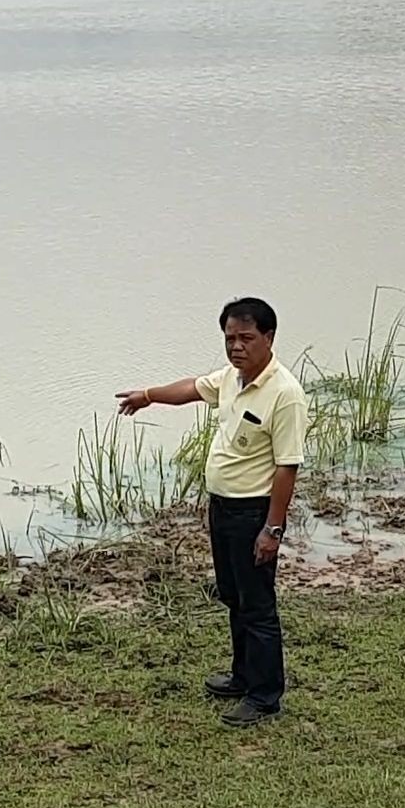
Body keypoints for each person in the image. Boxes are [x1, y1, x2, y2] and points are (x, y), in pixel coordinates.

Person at [117, 297, 307, 727]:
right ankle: (243, 676)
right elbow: (192, 388)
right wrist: (148, 396)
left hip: (254, 514)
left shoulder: (286, 394)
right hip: (221, 508)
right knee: (233, 596)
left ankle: (264, 696)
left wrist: (272, 528)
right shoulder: (232, 379)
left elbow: (287, 467)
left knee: (257, 605)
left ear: (269, 338)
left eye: (246, 338)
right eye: (229, 338)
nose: (236, 346)